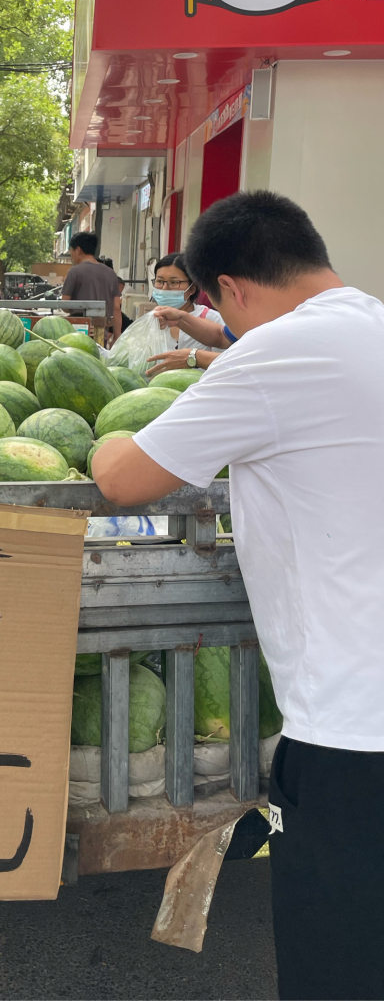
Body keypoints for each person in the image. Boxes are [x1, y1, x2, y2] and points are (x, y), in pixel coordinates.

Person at [91, 191, 384, 1001]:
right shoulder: (368, 325)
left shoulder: (279, 353)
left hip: (354, 731)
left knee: (341, 968)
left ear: (231, 288)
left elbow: (124, 479)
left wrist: (108, 435)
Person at [143, 251, 227, 377]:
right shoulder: (152, 320)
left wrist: (195, 358)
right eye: (160, 281)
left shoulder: (212, 319)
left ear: (192, 288)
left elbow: (228, 361)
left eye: (174, 282)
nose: (165, 288)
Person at [60, 233, 124, 341]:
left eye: (71, 251)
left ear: (78, 250)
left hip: (78, 334)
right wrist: (117, 336)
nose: (71, 255)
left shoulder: (74, 272)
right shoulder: (111, 273)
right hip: (101, 334)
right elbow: (116, 307)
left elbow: (65, 305)